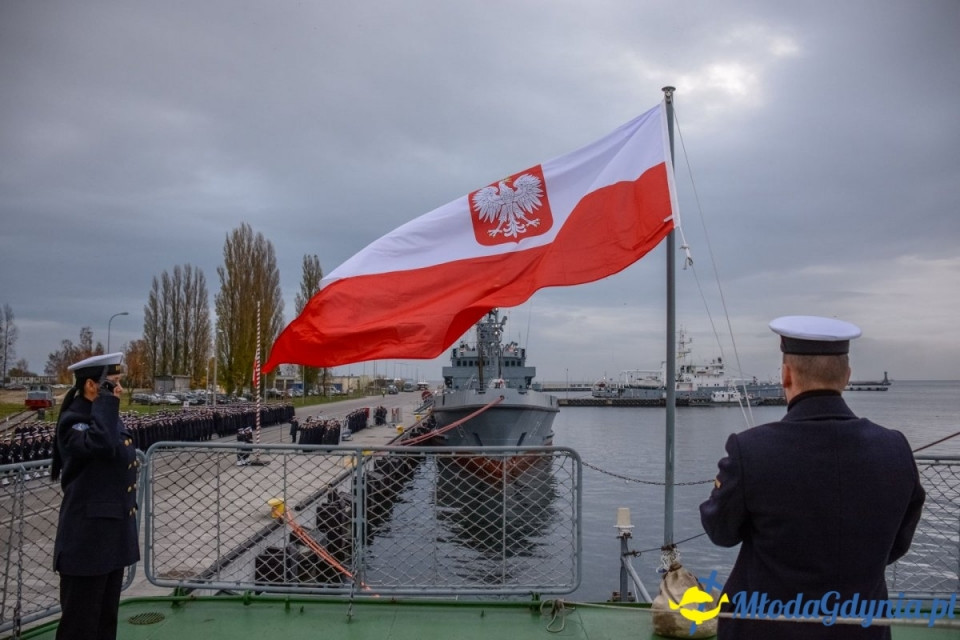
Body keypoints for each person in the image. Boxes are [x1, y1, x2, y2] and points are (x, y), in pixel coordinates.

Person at [699, 316, 925, 639]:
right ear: (847, 377)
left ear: (786, 375)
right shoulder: (896, 450)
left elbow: (719, 531)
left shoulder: (749, 450)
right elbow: (897, 543)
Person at [51, 353, 140, 640]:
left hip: (110, 538)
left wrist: (105, 404)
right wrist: (106, 404)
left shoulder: (103, 418)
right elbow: (101, 446)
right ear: (92, 386)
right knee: (80, 626)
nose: (119, 391)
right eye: (112, 384)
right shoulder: (74, 422)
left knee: (104, 623)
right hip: (87, 542)